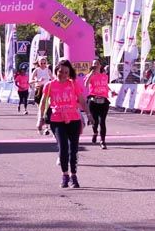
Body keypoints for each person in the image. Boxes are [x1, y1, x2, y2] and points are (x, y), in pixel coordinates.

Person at [37, 59, 89, 189]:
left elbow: (82, 100)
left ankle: (74, 176)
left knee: (74, 149)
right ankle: (65, 175)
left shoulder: (74, 84)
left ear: (69, 73)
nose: (63, 74)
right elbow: (43, 103)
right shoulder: (49, 85)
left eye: (66, 72)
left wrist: (89, 114)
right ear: (56, 71)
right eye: (61, 71)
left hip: (74, 119)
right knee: (63, 148)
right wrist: (40, 119)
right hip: (57, 120)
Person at [85, 59, 112, 149]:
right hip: (93, 101)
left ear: (100, 66)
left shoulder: (104, 76)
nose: (96, 65)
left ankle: (102, 141)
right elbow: (86, 84)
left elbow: (105, 85)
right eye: (94, 64)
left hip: (103, 101)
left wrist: (111, 91)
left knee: (102, 122)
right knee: (95, 121)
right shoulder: (90, 75)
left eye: (97, 64)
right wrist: (91, 74)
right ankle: (95, 132)